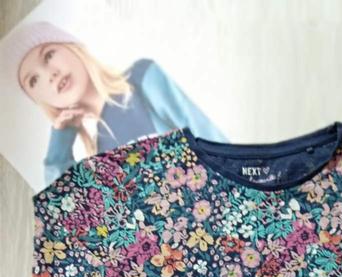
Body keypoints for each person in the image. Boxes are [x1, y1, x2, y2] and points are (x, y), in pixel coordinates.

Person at [5, 20, 228, 186]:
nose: (49, 75)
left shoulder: (141, 80)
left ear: (72, 47)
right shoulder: (98, 152)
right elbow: (67, 211)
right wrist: (60, 145)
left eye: (48, 55)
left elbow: (212, 142)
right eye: (33, 80)